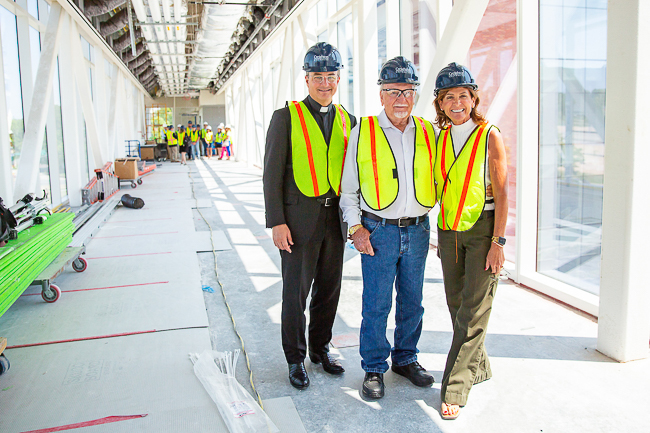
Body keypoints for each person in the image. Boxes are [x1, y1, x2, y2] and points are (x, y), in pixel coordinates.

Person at [340, 56, 436, 400]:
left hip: (418, 230)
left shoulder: (428, 131)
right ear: (381, 94)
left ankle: (406, 359)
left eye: (408, 91)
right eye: (393, 91)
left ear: (415, 95)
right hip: (378, 230)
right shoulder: (362, 132)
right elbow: (348, 190)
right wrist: (356, 229)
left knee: (413, 301)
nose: (401, 99)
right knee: (376, 303)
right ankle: (374, 367)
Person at [263, 42, 356, 390]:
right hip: (298, 223)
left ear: (337, 79)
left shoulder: (350, 120)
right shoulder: (285, 118)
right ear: (306, 79)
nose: (325, 83)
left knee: (329, 291)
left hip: (336, 223)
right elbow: (271, 174)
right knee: (295, 295)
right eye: (318, 76)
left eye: (331, 76)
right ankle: (295, 359)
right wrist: (276, 221)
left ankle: (320, 349)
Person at [432, 63, 508, 420]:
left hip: (483, 229)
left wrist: (499, 241)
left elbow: (504, 192)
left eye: (463, 95)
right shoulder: (441, 137)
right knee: (456, 303)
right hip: (449, 230)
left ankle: (455, 387)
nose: (457, 102)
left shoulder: (489, 134)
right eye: (449, 97)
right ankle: (479, 367)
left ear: (473, 98)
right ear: (441, 104)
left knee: (474, 312)